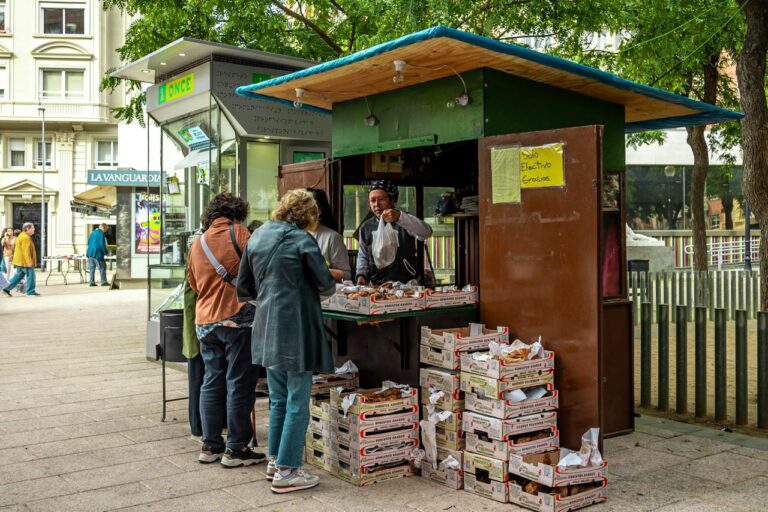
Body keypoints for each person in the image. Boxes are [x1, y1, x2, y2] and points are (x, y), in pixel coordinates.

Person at [237, 189, 336, 494]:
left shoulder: (258, 235)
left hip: (266, 327)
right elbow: (327, 286)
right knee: (297, 402)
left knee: (278, 399)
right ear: (307, 215)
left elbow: (244, 287)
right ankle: (287, 470)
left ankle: (273, 460)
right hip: (296, 328)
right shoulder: (301, 239)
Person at [186, 193, 264, 467]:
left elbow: (193, 284)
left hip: (205, 322)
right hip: (236, 318)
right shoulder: (241, 233)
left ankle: (210, 445)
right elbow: (260, 269)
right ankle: (237, 447)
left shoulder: (197, 242)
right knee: (239, 382)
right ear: (237, 212)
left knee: (211, 381)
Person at [355, 180, 433, 285]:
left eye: (381, 199)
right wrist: (361, 275)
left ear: (393, 200)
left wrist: (400, 217)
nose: (376, 205)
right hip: (377, 284)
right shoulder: (366, 227)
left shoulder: (404, 220)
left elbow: (426, 232)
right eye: (372, 200)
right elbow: (363, 255)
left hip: (406, 285)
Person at [307, 188, 351, 282]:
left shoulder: (332, 237)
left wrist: (317, 270)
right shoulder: (291, 234)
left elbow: (346, 275)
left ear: (320, 210)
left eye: (308, 207)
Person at [2, 223, 40, 297]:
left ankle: (6, 289)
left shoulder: (23, 236)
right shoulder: (25, 238)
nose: (34, 229)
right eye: (32, 228)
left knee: (18, 276)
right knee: (31, 275)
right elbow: (26, 251)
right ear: (27, 229)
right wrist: (29, 261)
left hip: (20, 261)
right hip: (24, 262)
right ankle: (30, 292)